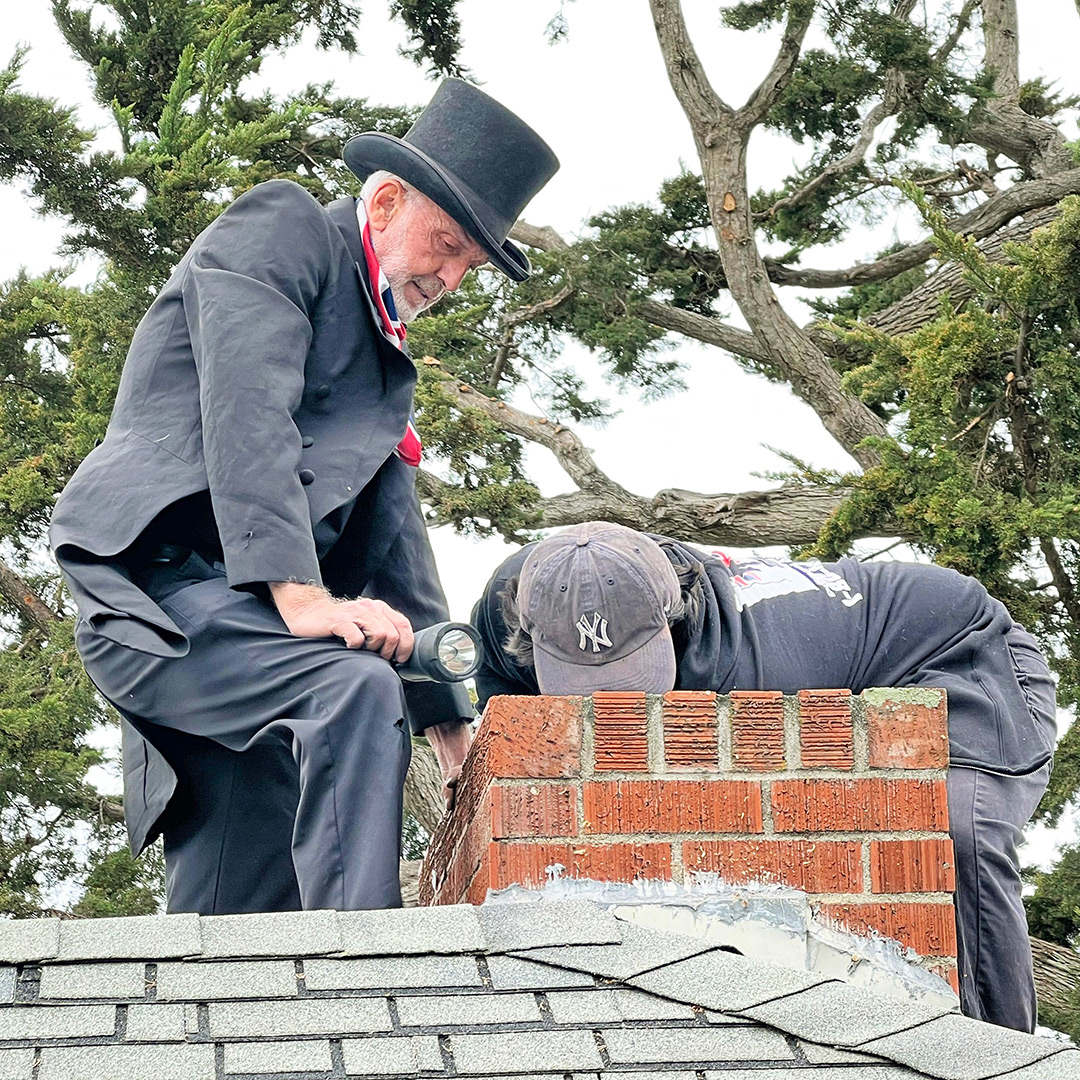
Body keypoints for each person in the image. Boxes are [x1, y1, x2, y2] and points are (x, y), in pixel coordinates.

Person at [49, 79, 559, 915]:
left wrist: (452, 724)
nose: (454, 275)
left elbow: (399, 551)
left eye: (472, 262)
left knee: (237, 907)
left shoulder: (387, 371)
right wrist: (301, 593)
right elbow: (248, 408)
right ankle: (372, 975)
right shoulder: (283, 227)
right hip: (160, 597)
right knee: (352, 690)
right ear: (386, 201)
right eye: (449, 242)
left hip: (257, 640)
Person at [471, 521, 1056, 1033]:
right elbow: (510, 720)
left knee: (957, 827)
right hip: (858, 656)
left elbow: (744, 826)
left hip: (960, 652)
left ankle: (1000, 1046)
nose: (610, 705)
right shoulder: (512, 597)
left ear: (670, 621)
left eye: (630, 675)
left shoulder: (742, 668)